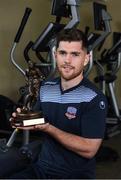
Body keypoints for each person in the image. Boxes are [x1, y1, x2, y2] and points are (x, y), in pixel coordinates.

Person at [8, 28, 107, 179]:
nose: (67, 60)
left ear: (86, 59)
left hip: (74, 175)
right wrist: (21, 118)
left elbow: (90, 149)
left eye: (75, 54)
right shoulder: (46, 88)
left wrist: (49, 129)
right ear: (55, 55)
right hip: (42, 168)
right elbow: (37, 119)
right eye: (62, 53)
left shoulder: (93, 97)